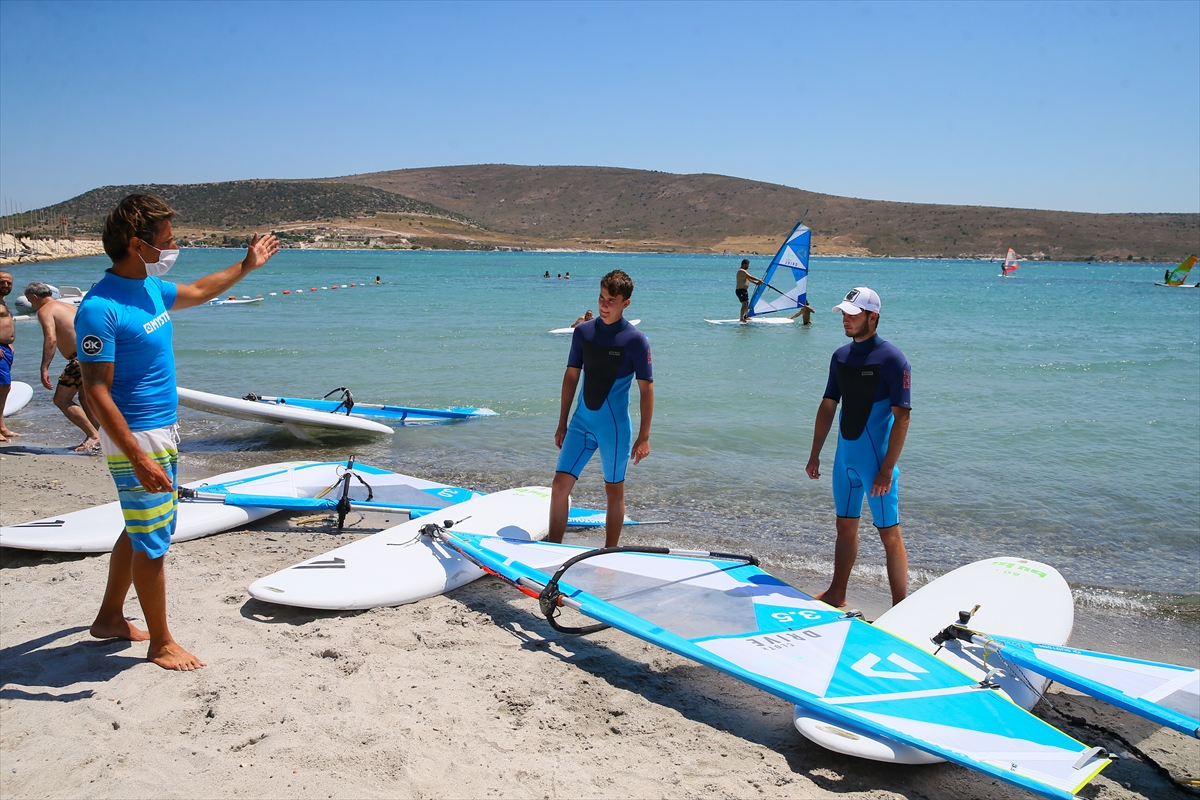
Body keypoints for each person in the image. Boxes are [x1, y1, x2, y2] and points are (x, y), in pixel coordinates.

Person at [77, 193, 280, 670]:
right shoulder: (99, 308)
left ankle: (109, 617)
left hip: (159, 428)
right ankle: (161, 642)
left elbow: (200, 290)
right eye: (166, 240)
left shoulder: (147, 288)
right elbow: (95, 392)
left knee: (139, 527)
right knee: (154, 541)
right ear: (136, 243)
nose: (173, 247)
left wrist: (245, 266)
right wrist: (139, 457)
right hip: (137, 435)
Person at [805, 287, 911, 608]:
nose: (846, 321)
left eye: (853, 315)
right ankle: (837, 593)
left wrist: (887, 469)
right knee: (844, 526)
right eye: (845, 315)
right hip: (845, 460)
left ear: (872, 316)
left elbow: (902, 417)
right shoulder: (840, 356)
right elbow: (828, 405)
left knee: (888, 534)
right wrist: (815, 454)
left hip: (877, 464)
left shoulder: (893, 359)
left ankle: (900, 608)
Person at [551, 270, 653, 548]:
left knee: (613, 493)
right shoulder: (583, 332)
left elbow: (646, 390)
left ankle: (608, 553)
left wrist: (644, 436)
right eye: (601, 297)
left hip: (615, 429)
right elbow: (571, 376)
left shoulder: (635, 340)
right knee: (559, 486)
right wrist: (562, 422)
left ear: (625, 304)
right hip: (581, 423)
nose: (604, 305)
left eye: (611, 300)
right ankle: (552, 549)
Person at [23, 281, 100, 452]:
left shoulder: (45, 310)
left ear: (35, 297)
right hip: (95, 354)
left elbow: (51, 339)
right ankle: (96, 437)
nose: (32, 305)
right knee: (85, 398)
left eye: (30, 301)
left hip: (79, 359)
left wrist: (44, 368)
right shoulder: (69, 307)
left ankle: (95, 436)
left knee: (61, 399)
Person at [0, 271, 18, 442]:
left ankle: (2, 427)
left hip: (4, 349)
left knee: (4, 388)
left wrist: (7, 342)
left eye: (9, 283)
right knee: (2, 387)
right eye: (2, 282)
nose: (5, 285)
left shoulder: (2, 301)